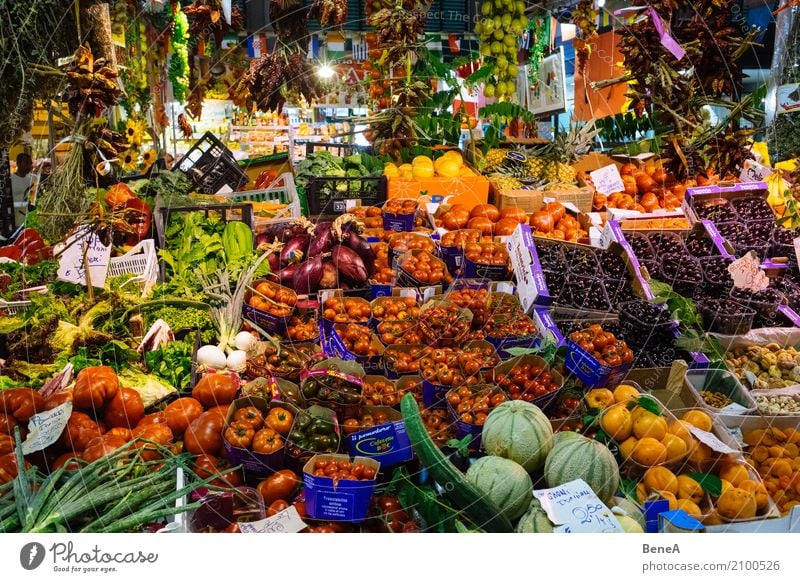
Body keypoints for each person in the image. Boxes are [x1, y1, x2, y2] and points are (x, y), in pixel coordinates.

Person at [10, 153, 33, 226]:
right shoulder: (11, 181)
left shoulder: (32, 180)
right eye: (26, 163)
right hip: (15, 221)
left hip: (29, 220)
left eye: (30, 163)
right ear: (18, 163)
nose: (29, 166)